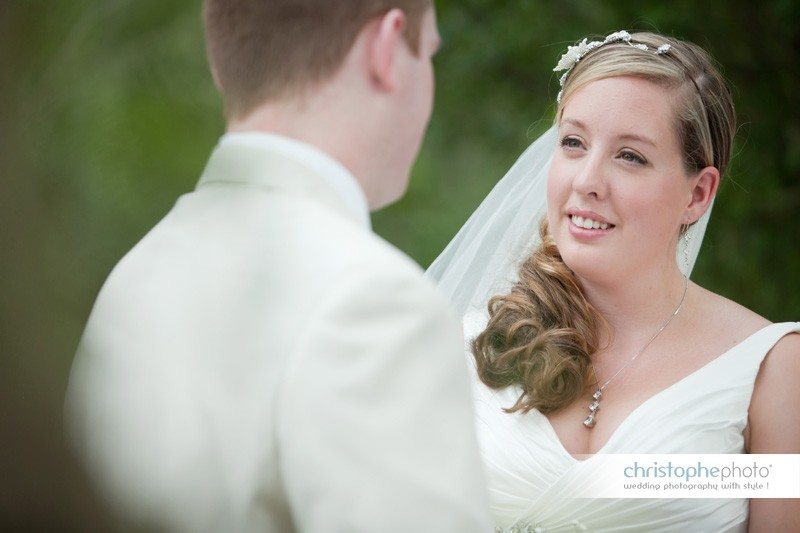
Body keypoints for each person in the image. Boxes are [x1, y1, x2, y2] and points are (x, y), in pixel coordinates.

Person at [65, 1, 492, 531]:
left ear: (224, 65)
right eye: (428, 54)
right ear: (387, 47)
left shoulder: (136, 271)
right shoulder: (373, 302)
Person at [428, 30, 800, 531]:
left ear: (697, 193)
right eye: (573, 143)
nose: (586, 182)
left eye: (630, 156)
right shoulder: (465, 345)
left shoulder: (774, 371)